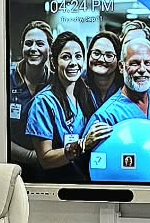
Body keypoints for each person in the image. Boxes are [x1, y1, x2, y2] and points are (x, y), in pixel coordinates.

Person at [24, 30, 97, 182]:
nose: (73, 63)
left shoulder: (86, 95)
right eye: (66, 57)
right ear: (54, 62)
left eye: (78, 56)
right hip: (58, 188)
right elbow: (45, 158)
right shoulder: (43, 102)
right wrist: (82, 145)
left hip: (86, 183)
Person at [84, 32, 150, 137]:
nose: (142, 69)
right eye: (134, 63)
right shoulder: (106, 116)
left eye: (147, 63)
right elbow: (87, 151)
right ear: (121, 67)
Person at [7, 20, 52, 168]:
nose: (33, 48)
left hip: (49, 169)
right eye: (28, 43)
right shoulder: (7, 80)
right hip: (14, 167)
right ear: (22, 46)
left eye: (40, 44)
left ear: (50, 48)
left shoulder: (56, 83)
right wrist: (32, 156)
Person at [84, 30, 121, 113]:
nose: (101, 59)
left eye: (109, 55)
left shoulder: (125, 90)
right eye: (96, 53)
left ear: (119, 59)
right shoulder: (77, 86)